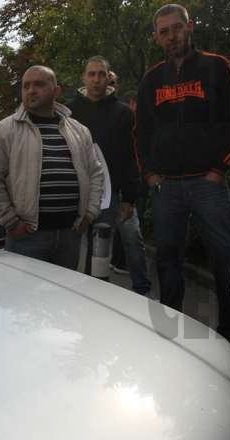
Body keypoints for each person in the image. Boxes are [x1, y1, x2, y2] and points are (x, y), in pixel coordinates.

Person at [134, 4, 230, 363]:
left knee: (227, 259)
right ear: (156, 37)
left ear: (190, 27)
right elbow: (141, 132)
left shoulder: (218, 67)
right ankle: (170, 334)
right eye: (164, 31)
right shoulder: (152, 79)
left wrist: (220, 167)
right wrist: (149, 174)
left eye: (177, 28)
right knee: (168, 260)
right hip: (166, 187)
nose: (172, 36)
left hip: (207, 183)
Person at [0, 65, 105, 269]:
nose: (31, 90)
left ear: (56, 91)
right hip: (26, 238)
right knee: (24, 290)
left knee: (63, 290)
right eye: (26, 86)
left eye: (39, 84)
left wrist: (89, 214)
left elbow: (96, 173)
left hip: (70, 235)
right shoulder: (3, 130)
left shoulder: (79, 131)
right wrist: (11, 222)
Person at [68, 56, 152, 295]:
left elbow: (132, 156)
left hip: (111, 194)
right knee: (77, 248)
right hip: (76, 193)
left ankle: (132, 293)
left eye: (101, 74)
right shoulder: (69, 111)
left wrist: (130, 198)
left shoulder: (124, 113)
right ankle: (78, 297)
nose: (96, 79)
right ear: (84, 77)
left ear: (108, 77)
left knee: (116, 246)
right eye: (91, 74)